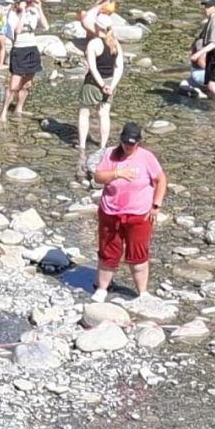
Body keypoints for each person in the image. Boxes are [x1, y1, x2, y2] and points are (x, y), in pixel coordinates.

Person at [92, 122, 166, 300]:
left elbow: (161, 180)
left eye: (132, 143)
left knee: (138, 253)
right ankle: (102, 288)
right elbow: (98, 177)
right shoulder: (110, 154)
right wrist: (117, 173)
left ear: (138, 142)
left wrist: (156, 205)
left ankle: (142, 292)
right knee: (108, 251)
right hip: (110, 212)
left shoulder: (147, 157)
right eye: (125, 142)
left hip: (138, 214)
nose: (128, 146)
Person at [75, 9, 125, 171]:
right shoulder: (115, 43)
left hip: (93, 83)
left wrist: (101, 84)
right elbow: (119, 67)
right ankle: (102, 145)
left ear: (97, 27)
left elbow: (93, 68)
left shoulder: (93, 44)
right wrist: (112, 85)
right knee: (104, 114)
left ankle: (82, 145)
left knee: (84, 112)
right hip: (110, 82)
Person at [0, 0, 48, 123]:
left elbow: (45, 26)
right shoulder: (12, 13)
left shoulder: (33, 10)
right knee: (13, 85)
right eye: (25, 1)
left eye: (28, 1)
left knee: (27, 84)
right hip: (19, 49)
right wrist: (23, 12)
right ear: (18, 2)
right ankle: (4, 112)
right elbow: (17, 30)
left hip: (32, 48)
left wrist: (39, 8)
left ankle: (19, 107)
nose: (28, 3)